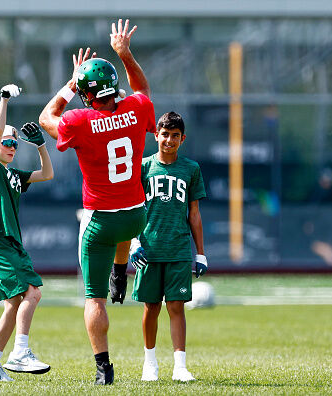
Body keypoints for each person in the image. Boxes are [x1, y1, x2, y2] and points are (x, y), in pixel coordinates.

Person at [39, 19, 155, 385]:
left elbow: (46, 118)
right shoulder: (136, 108)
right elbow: (143, 89)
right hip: (137, 214)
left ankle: (104, 368)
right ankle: (121, 271)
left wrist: (72, 83)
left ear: (88, 95)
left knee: (94, 299)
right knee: (125, 231)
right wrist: (125, 53)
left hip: (100, 219)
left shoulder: (80, 120)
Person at [0, 84, 54, 382]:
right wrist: (3, 100)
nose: (12, 147)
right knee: (32, 292)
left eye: (16, 144)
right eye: (8, 142)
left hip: (10, 242)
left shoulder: (14, 174)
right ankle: (20, 352)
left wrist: (41, 145)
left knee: (14, 303)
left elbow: (47, 174)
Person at [129, 111, 208, 382]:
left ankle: (180, 366)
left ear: (182, 138)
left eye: (175, 136)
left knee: (176, 306)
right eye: (165, 134)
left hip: (177, 249)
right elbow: (131, 208)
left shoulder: (191, 168)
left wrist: (200, 253)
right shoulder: (142, 167)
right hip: (148, 249)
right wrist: (133, 242)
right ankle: (149, 363)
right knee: (151, 307)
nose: (169, 140)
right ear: (156, 135)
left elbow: (194, 214)